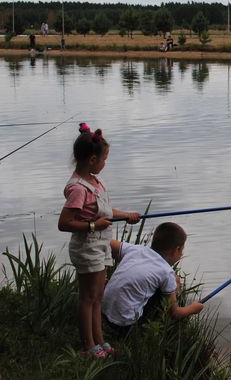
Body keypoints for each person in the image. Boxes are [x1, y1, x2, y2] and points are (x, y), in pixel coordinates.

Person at [58, 123, 140, 358]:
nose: (105, 163)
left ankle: (100, 340)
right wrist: (93, 225)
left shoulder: (95, 181)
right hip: (87, 247)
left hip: (101, 244)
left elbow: (104, 211)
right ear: (92, 159)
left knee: (98, 296)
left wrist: (126, 215)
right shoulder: (78, 189)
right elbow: (64, 223)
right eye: (104, 159)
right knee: (87, 298)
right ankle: (88, 345)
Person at [102, 222, 204, 334]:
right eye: (182, 250)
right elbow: (175, 313)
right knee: (169, 287)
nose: (182, 253)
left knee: (171, 282)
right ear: (176, 250)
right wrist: (194, 308)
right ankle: (149, 330)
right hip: (124, 326)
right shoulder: (166, 271)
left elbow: (108, 243)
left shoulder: (136, 249)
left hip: (103, 313)